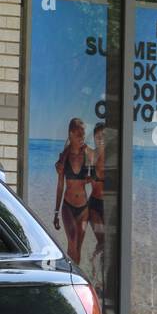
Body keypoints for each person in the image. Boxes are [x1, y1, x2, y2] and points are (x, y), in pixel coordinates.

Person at [53, 118, 93, 265]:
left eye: (83, 134)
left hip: (84, 208)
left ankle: (75, 279)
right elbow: (60, 186)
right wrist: (56, 212)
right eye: (79, 134)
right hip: (68, 207)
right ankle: (72, 277)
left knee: (77, 249)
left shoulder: (87, 154)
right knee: (72, 241)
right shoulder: (64, 158)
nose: (82, 137)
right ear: (70, 134)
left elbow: (97, 174)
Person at [86, 122, 108, 283]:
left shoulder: (113, 158)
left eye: (104, 136)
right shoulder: (91, 155)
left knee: (106, 243)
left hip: (108, 205)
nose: (100, 139)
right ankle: (96, 271)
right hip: (93, 204)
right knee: (102, 241)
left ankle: (97, 269)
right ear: (94, 138)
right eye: (98, 136)